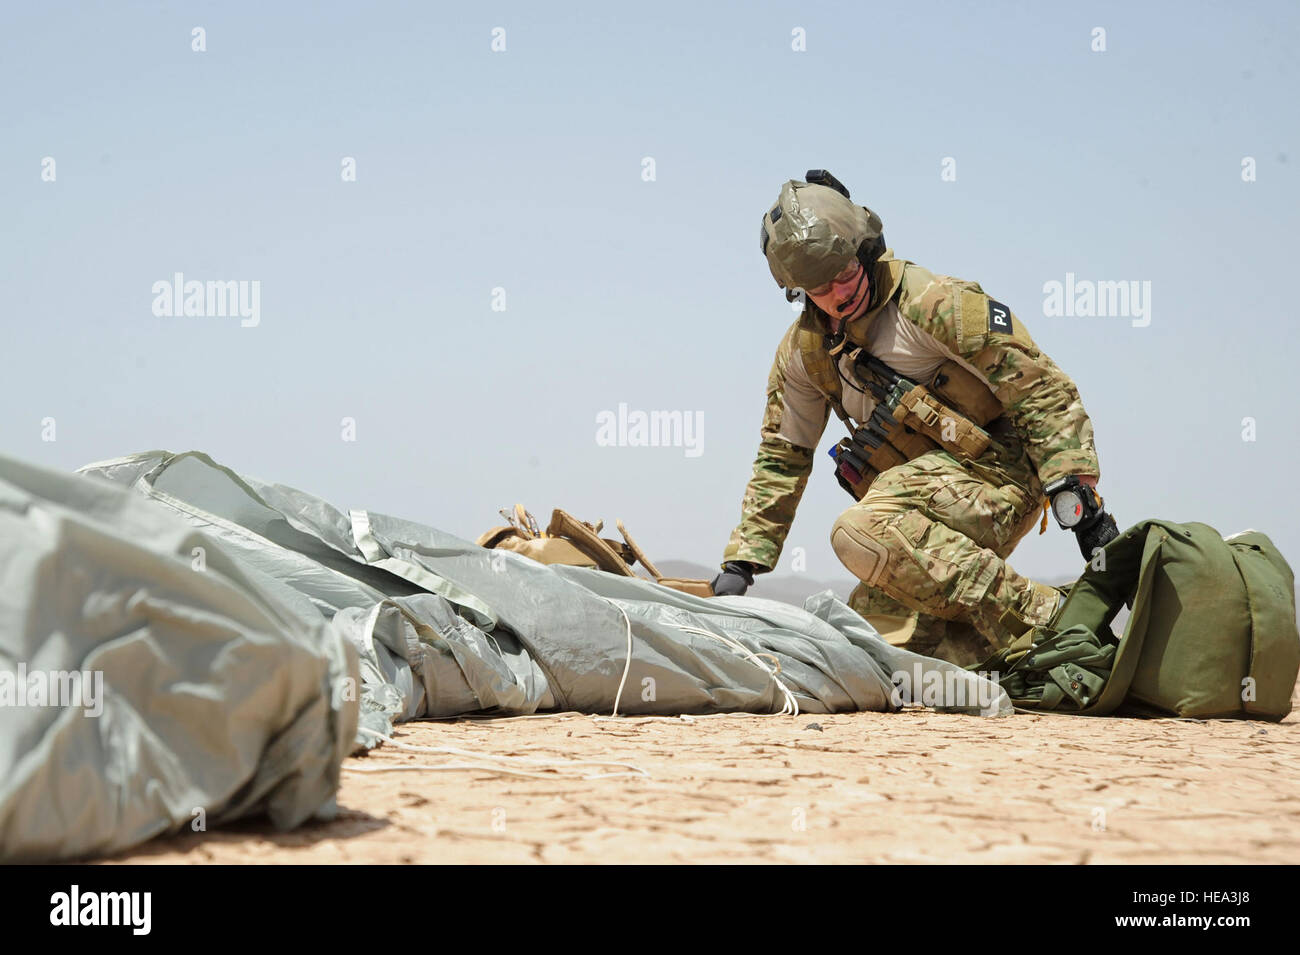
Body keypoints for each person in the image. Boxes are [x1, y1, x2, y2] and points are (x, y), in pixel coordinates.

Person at [712, 170, 1117, 663]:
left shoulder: (931, 302)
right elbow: (783, 456)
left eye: (845, 273)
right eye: (821, 288)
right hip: (913, 516)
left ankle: (1054, 620)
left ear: (864, 250)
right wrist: (744, 560)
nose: (839, 293)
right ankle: (1026, 655)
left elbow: (1039, 386)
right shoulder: (805, 353)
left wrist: (1079, 499)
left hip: (999, 476)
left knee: (856, 532)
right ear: (798, 291)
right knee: (875, 649)